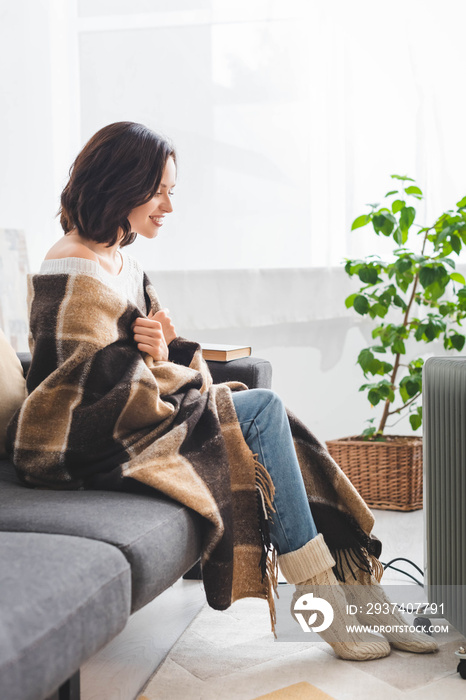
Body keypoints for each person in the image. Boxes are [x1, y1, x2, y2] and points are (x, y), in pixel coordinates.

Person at [8, 122, 438, 662]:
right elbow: (72, 387)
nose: (168, 206)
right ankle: (326, 599)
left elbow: (153, 353)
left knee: (271, 419)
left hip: (141, 416)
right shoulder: (70, 264)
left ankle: (361, 595)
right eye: (158, 190)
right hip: (77, 442)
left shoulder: (124, 261)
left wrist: (161, 350)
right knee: (260, 412)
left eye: (171, 191)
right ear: (120, 183)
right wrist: (153, 358)